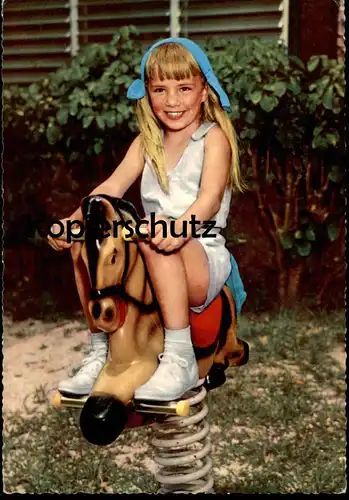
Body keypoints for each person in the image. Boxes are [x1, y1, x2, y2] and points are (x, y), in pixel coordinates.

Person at [48, 37, 245, 401]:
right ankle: (100, 349)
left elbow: (209, 198)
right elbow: (110, 187)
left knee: (152, 235)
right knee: (85, 244)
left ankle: (181, 357)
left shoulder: (213, 139)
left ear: (204, 91)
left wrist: (179, 228)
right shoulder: (145, 142)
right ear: (148, 95)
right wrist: (74, 220)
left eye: (184, 88)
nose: (172, 101)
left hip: (199, 252)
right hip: (153, 243)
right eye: (161, 89)